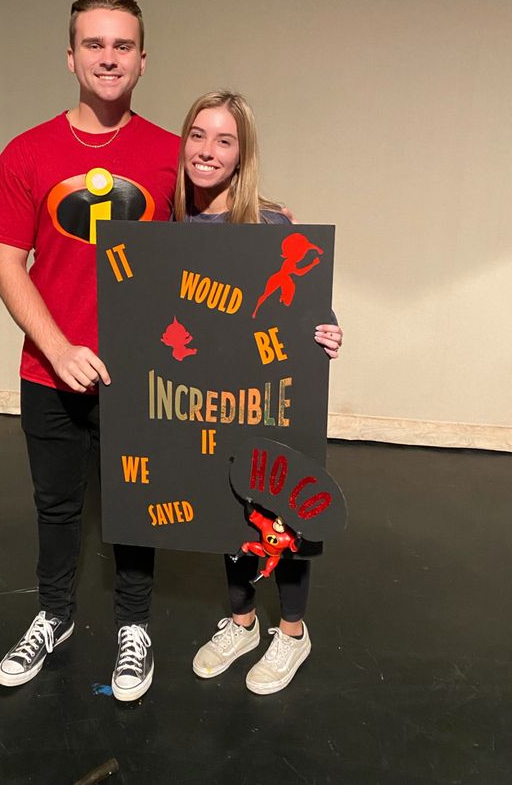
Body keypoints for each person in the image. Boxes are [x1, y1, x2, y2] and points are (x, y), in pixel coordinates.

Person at [0, 0, 179, 702]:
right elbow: (6, 261)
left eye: (122, 45)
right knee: (56, 506)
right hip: (49, 369)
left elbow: (222, 252)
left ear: (143, 61)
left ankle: (134, 627)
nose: (108, 57)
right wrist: (57, 347)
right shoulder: (26, 151)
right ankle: (54, 616)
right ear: (70, 56)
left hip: (138, 373)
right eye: (94, 43)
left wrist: (300, 287)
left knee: (134, 505)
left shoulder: (169, 156)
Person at [173, 90, 343, 695]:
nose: (208, 150)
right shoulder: (168, 229)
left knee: (282, 512)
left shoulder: (270, 224)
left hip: (268, 395)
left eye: (224, 140)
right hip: (207, 398)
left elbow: (307, 314)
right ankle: (243, 624)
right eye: (198, 135)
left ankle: (291, 634)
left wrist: (326, 331)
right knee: (231, 509)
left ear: (242, 154)